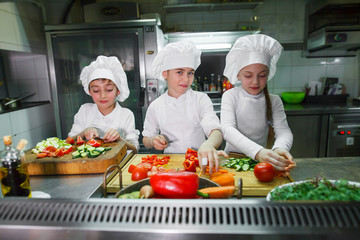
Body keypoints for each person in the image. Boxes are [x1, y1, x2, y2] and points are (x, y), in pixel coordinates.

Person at [142, 40, 226, 174]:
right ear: (165, 74)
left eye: (190, 73)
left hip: (200, 162)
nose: (186, 79)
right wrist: (153, 141)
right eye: (180, 72)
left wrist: (209, 144)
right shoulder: (156, 106)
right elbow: (146, 139)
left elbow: (215, 131)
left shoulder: (200, 99)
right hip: (170, 165)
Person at [221, 34, 295, 173]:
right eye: (248, 76)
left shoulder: (274, 100)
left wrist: (279, 148)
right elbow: (228, 130)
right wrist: (258, 152)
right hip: (231, 159)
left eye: (262, 75)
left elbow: (283, 131)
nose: (255, 82)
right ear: (238, 75)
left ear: (268, 74)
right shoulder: (231, 96)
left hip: (262, 161)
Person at [68, 55, 139, 153]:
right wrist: (84, 132)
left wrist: (120, 140)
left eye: (109, 89)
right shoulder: (84, 110)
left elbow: (135, 149)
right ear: (90, 92)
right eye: (96, 90)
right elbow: (69, 142)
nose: (102, 95)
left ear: (118, 91)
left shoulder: (126, 114)